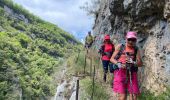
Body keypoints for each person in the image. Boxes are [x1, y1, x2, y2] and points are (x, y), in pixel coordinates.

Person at [110, 31, 142, 100]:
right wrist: (119, 64)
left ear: (135, 40)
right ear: (126, 39)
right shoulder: (120, 46)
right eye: (129, 39)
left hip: (132, 73)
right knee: (122, 97)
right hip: (120, 72)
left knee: (133, 97)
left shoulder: (136, 49)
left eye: (133, 39)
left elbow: (140, 63)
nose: (131, 41)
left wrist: (133, 62)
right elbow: (112, 59)